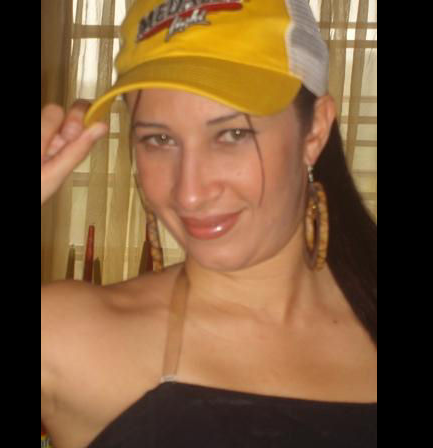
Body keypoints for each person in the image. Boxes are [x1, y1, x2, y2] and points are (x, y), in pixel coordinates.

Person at [41, 1, 377, 447]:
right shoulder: (71, 337)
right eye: (159, 139)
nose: (190, 193)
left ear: (314, 131)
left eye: (232, 134)